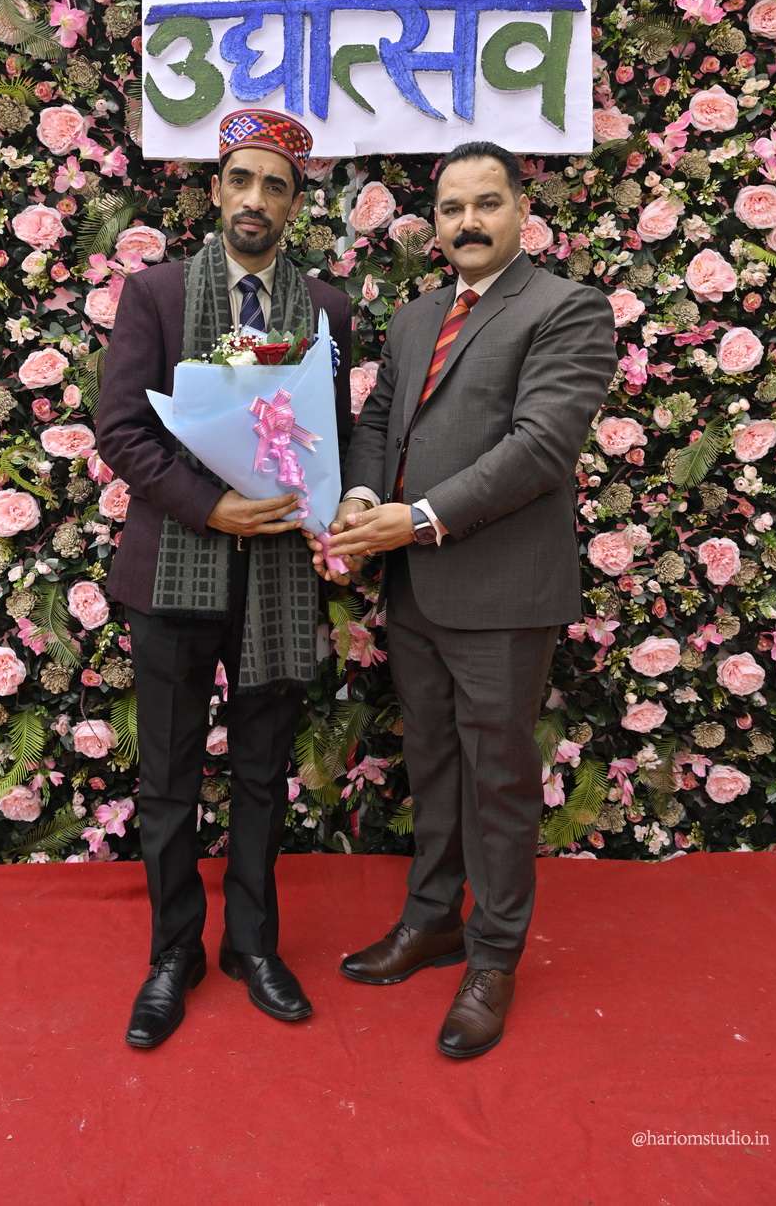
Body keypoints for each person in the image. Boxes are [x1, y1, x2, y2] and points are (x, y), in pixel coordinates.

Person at [319, 140, 617, 1059]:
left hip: (501, 592)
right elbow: (381, 422)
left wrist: (417, 519)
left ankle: (494, 957)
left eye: (487, 203)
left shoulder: (566, 308)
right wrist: (361, 499)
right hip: (416, 590)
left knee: (498, 780)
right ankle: (432, 920)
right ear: (435, 223)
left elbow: (540, 447)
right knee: (435, 765)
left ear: (523, 210)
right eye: (452, 208)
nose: (469, 222)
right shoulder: (417, 317)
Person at [96, 108, 352, 1049]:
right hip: (173, 573)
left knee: (261, 773)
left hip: (277, 575)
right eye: (240, 179)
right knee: (168, 777)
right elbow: (122, 432)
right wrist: (212, 508)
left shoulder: (325, 310)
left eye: (275, 186)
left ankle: (253, 945)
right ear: (215, 190)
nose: (255, 198)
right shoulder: (157, 294)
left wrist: (329, 506)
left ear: (293, 206)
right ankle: (175, 954)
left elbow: (332, 434)